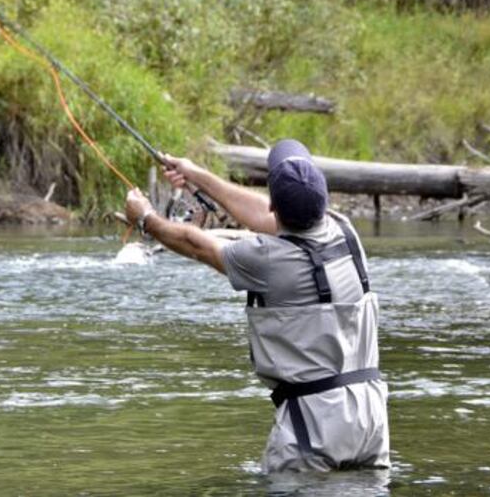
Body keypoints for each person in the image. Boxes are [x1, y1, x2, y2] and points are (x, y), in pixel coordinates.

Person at [124, 139, 390, 475]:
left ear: (275, 208)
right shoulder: (346, 233)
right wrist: (196, 174)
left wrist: (145, 217)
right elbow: (263, 213)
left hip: (311, 428)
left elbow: (195, 244)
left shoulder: (266, 259)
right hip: (371, 422)